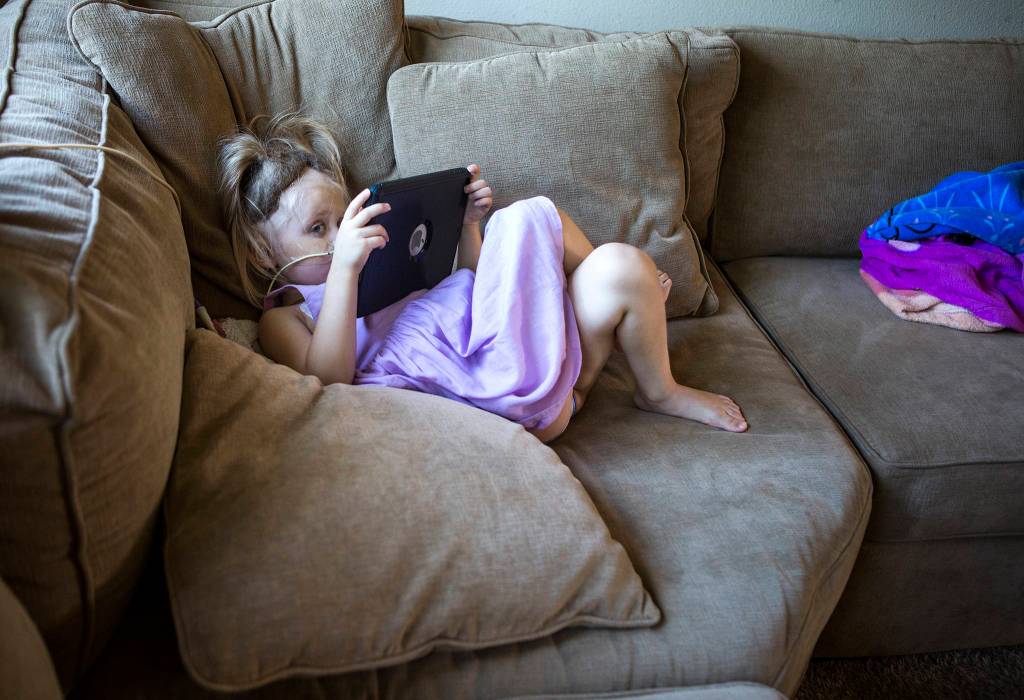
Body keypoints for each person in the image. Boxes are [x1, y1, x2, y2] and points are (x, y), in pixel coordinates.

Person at [217, 111, 747, 443]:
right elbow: (330, 382)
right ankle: (609, 329)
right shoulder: (288, 315)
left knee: (620, 264)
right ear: (264, 253)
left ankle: (654, 384)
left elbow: (468, 293)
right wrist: (346, 274)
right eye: (317, 229)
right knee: (526, 219)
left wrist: (469, 226)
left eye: (343, 219)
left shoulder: (382, 258)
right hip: (496, 387)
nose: (340, 238)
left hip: (524, 358)